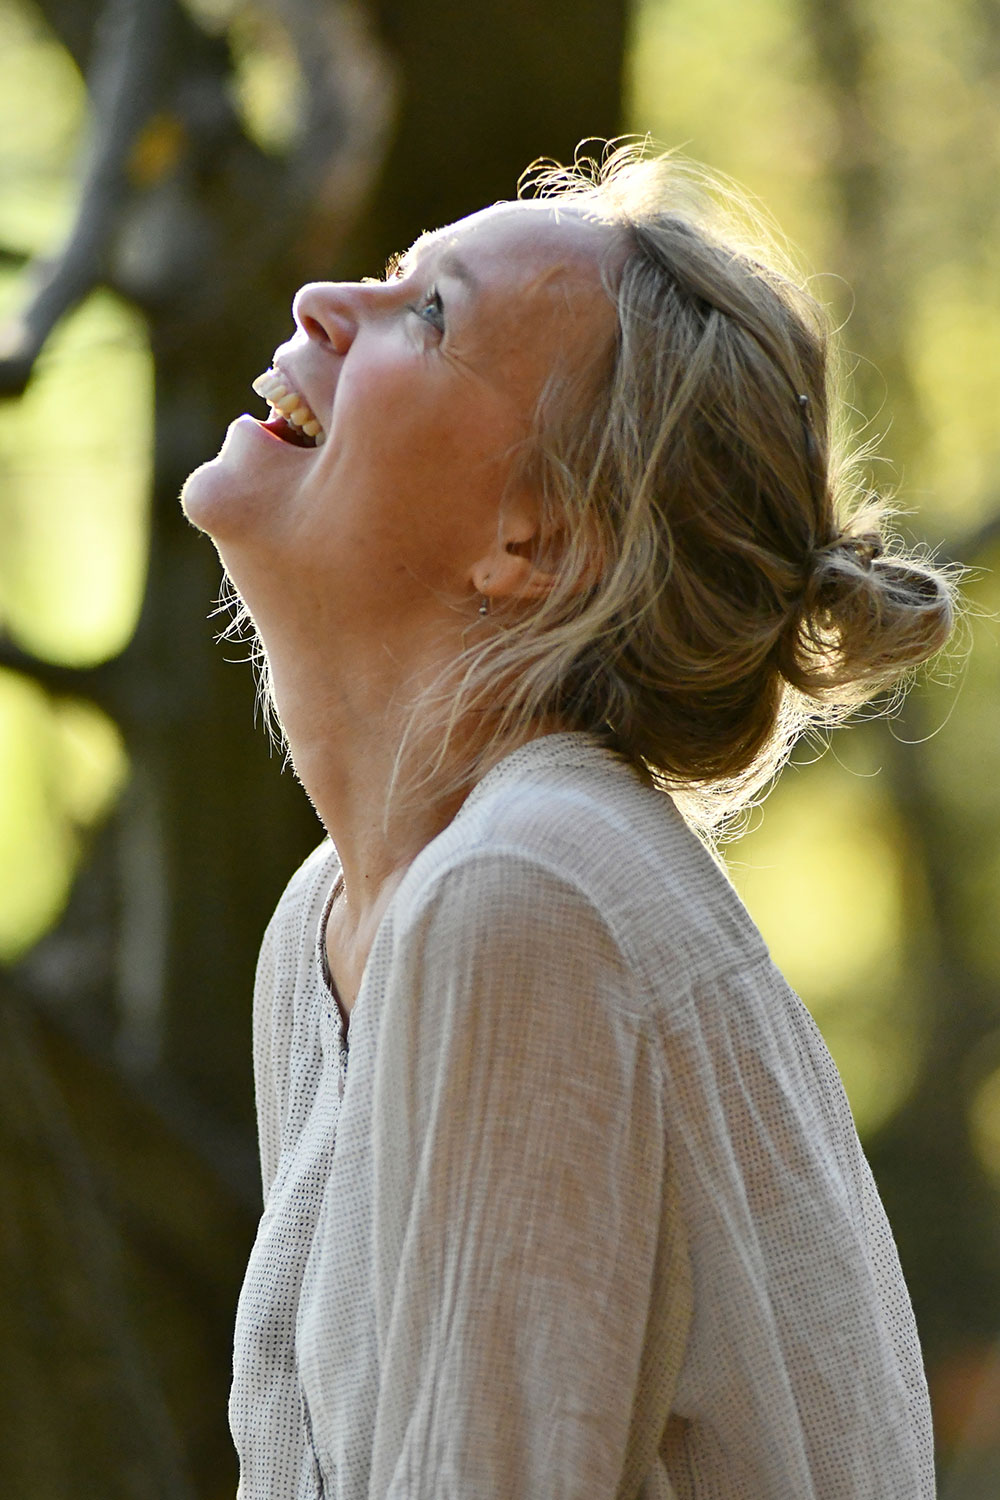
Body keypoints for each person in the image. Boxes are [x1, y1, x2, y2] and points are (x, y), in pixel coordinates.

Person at [181, 145, 954, 1499]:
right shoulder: (331, 922)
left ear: (538, 538)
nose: (317, 301)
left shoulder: (526, 897)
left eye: (428, 316)